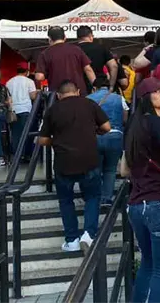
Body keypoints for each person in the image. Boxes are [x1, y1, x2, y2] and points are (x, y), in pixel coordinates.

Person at [125, 78, 160, 303]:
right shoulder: (156, 122)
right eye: (156, 92)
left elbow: (123, 169)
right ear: (146, 98)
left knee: (148, 264)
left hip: (137, 203)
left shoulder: (133, 126)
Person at [39, 80, 110, 252]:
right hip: (89, 160)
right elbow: (107, 127)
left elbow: (42, 140)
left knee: (66, 201)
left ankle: (71, 240)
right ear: (78, 91)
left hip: (64, 163)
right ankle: (89, 234)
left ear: (58, 95)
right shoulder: (89, 104)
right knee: (92, 197)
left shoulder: (52, 110)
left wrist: (57, 140)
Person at [88, 76, 128, 207]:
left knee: (95, 169)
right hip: (115, 136)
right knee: (110, 169)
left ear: (94, 88)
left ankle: (95, 197)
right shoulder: (119, 98)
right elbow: (124, 119)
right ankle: (107, 198)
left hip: (95, 137)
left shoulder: (88, 99)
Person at [35, 26, 96, 96]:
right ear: (65, 37)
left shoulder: (45, 53)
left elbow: (39, 77)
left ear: (49, 39)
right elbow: (88, 69)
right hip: (78, 93)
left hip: (57, 95)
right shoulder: (76, 49)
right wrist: (95, 85)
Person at [5, 64, 38, 158]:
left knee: (15, 134)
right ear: (26, 72)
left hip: (13, 111)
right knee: (27, 133)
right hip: (25, 110)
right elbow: (33, 96)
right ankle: (26, 155)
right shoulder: (29, 81)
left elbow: (8, 98)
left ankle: (17, 156)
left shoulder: (9, 82)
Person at [77, 26, 118, 91]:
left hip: (79, 87)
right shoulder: (101, 48)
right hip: (100, 85)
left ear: (78, 38)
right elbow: (114, 66)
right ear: (90, 36)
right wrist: (111, 86)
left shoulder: (73, 49)